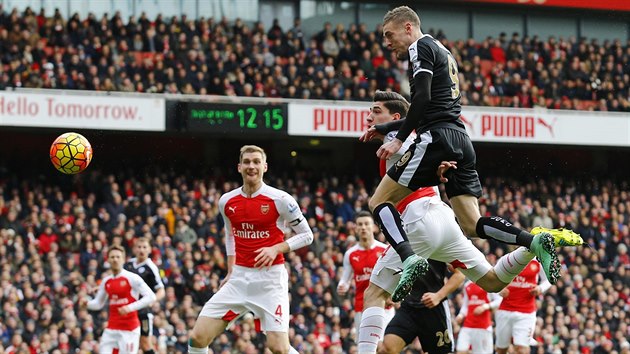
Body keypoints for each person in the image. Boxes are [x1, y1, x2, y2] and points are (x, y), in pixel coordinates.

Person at [361, 6, 583, 301]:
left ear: (408, 27)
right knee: (472, 224)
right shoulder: (442, 50)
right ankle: (533, 241)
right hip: (460, 138)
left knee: (378, 200)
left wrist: (397, 138)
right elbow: (435, 105)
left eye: (389, 35)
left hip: (436, 136)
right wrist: (386, 127)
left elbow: (423, 100)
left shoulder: (420, 47)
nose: (387, 43)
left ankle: (408, 257)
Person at [356, 91, 549, 354]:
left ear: (397, 118)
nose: (370, 116)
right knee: (493, 281)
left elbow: (407, 136)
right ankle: (531, 247)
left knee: (374, 294)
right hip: (444, 220)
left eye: (376, 110)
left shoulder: (396, 138)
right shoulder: (415, 141)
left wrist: (394, 133)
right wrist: (437, 169)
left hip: (419, 220)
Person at [188, 145, 314, 354]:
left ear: (265, 167)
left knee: (278, 348)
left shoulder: (281, 199)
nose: (251, 166)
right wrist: (230, 270)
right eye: (247, 162)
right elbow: (230, 235)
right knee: (198, 338)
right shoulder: (226, 201)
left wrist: (276, 249)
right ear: (239, 167)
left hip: (270, 281)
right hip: (239, 279)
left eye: (256, 162)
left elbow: (307, 235)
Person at [378, 261, 465, 354]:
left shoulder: (440, 247)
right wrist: (388, 291)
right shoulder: (402, 246)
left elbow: (460, 274)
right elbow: (392, 267)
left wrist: (439, 296)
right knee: (386, 349)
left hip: (434, 308)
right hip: (408, 307)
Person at [82, 245, 157, 354]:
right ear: (108, 260)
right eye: (112, 257)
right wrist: (86, 304)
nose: (115, 259)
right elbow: (98, 303)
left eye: (118, 257)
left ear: (123, 259)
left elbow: (151, 297)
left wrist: (130, 307)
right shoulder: (106, 281)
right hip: (111, 329)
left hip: (129, 330)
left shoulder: (132, 278)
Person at [336, 211, 390, 335]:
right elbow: (345, 279)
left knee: (385, 348)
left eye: (366, 224)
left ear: (374, 227)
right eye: (360, 224)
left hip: (384, 306)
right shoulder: (350, 254)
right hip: (362, 307)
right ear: (355, 228)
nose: (363, 227)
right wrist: (342, 285)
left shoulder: (384, 250)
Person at [495, 259, 551, 354]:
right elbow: (494, 277)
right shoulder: (507, 259)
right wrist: (499, 289)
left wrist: (540, 288)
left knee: (522, 349)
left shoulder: (538, 261)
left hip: (526, 313)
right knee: (501, 349)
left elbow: (549, 278)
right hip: (505, 310)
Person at [124, 237, 165, 354]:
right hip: (127, 308)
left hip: (142, 310)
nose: (141, 250)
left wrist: (152, 300)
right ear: (134, 249)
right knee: (127, 341)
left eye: (144, 247)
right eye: (139, 247)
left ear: (149, 250)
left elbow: (161, 290)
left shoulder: (150, 267)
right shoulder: (128, 265)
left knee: (145, 342)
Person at [455, 280, 503, 354]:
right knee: (461, 351)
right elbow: (466, 305)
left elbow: (499, 300)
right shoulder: (467, 285)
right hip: (467, 326)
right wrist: (461, 315)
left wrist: (485, 306)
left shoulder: (488, 283)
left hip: (483, 327)